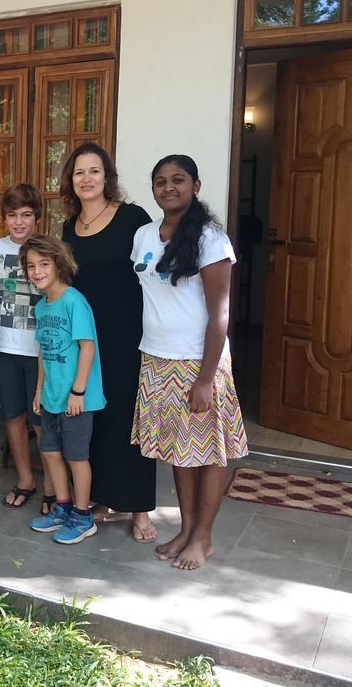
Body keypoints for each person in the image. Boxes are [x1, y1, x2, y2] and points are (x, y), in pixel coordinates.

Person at [131, 154, 248, 570]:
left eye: (178, 180)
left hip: (198, 362)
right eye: (160, 181)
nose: (169, 187)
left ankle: (203, 537)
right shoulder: (145, 235)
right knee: (180, 454)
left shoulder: (211, 239)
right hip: (157, 358)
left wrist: (204, 379)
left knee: (209, 452)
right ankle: (186, 527)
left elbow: (220, 313)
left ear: (196, 185)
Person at [60, 143, 157, 543]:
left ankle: (139, 509)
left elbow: (153, 272)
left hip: (125, 334)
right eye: (79, 172)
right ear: (71, 180)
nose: (86, 179)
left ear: (107, 177)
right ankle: (102, 498)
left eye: (94, 171)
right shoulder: (69, 227)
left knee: (127, 420)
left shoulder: (133, 218)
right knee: (93, 420)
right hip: (85, 339)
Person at [21, 235, 105, 545]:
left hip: (76, 400)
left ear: (59, 264)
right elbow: (43, 350)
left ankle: (83, 517)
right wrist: (39, 389)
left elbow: (87, 347)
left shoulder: (74, 301)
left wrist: (78, 391)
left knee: (76, 457)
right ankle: (63, 507)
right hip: (51, 397)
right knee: (51, 454)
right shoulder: (42, 307)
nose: (37, 271)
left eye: (44, 264)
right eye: (31, 266)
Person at [0, 184, 53, 512]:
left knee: (42, 420)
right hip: (4, 347)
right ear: (4, 218)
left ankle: (53, 487)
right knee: (12, 416)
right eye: (12, 215)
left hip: (41, 352)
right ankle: (26, 479)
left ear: (37, 218)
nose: (19, 222)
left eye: (26, 215)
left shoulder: (50, 251)